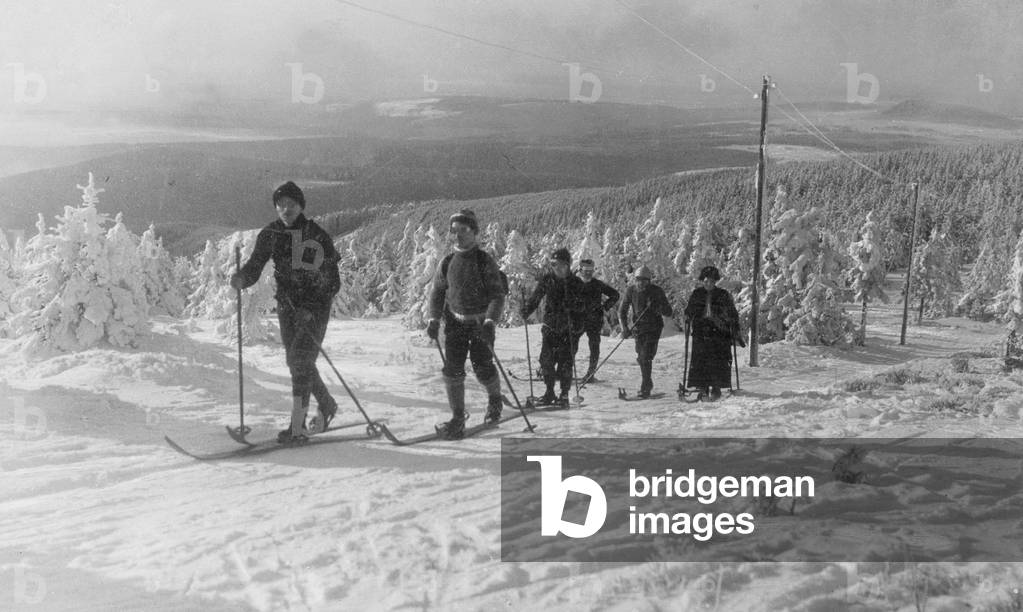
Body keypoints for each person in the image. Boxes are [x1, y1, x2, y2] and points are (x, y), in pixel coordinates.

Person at [231, 181, 342, 444]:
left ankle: (297, 427)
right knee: (297, 362)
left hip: (314, 310)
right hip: (287, 307)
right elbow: (255, 264)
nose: (285, 209)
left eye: (291, 204)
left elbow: (332, 281)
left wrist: (311, 308)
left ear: (300, 206)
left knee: (301, 361)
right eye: (280, 205)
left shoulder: (315, 235)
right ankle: (326, 404)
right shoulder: (271, 233)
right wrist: (242, 278)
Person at [426, 209, 506, 439]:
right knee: (452, 371)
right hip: (455, 323)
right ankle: (457, 418)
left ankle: (495, 400)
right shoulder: (447, 262)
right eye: (454, 230)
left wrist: (490, 321)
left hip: (480, 324)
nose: (458, 235)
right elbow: (437, 292)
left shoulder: (484, 261)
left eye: (463, 229)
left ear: (474, 232)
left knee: (482, 367)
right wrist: (433, 319)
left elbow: (497, 295)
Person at [521, 248, 585, 406]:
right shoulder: (548, 279)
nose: (558, 268)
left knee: (565, 363)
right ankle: (549, 392)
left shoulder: (576, 283)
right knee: (546, 361)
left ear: (568, 265)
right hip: (550, 327)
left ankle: (564, 394)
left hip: (569, 329)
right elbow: (536, 297)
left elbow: (584, 306)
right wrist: (528, 309)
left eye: (561, 265)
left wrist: (573, 306)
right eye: (554, 264)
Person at [682, 265, 744, 401]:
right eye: (706, 281)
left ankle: (716, 387)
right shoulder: (697, 294)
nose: (708, 284)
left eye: (711, 281)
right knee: (701, 360)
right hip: (701, 330)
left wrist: (733, 325)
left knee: (717, 360)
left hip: (719, 332)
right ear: (702, 281)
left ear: (715, 281)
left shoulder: (723, 295)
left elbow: (732, 312)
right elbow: (690, 309)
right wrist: (687, 316)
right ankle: (703, 386)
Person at [618, 265, 673, 398]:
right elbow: (622, 310)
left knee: (645, 356)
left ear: (649, 281)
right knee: (641, 356)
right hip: (639, 328)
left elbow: (668, 311)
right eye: (638, 280)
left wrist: (657, 307)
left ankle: (646, 386)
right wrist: (625, 328)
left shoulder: (657, 291)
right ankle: (648, 382)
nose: (641, 283)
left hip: (654, 328)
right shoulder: (631, 290)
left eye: (644, 280)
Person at [571, 258, 620, 382]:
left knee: (594, 347)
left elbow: (615, 295)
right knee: (571, 346)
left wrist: (605, 307)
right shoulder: (574, 284)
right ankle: (566, 372)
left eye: (591, 271)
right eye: (586, 270)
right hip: (577, 321)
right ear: (580, 270)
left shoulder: (597, 284)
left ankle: (590, 374)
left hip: (594, 321)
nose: (588, 273)